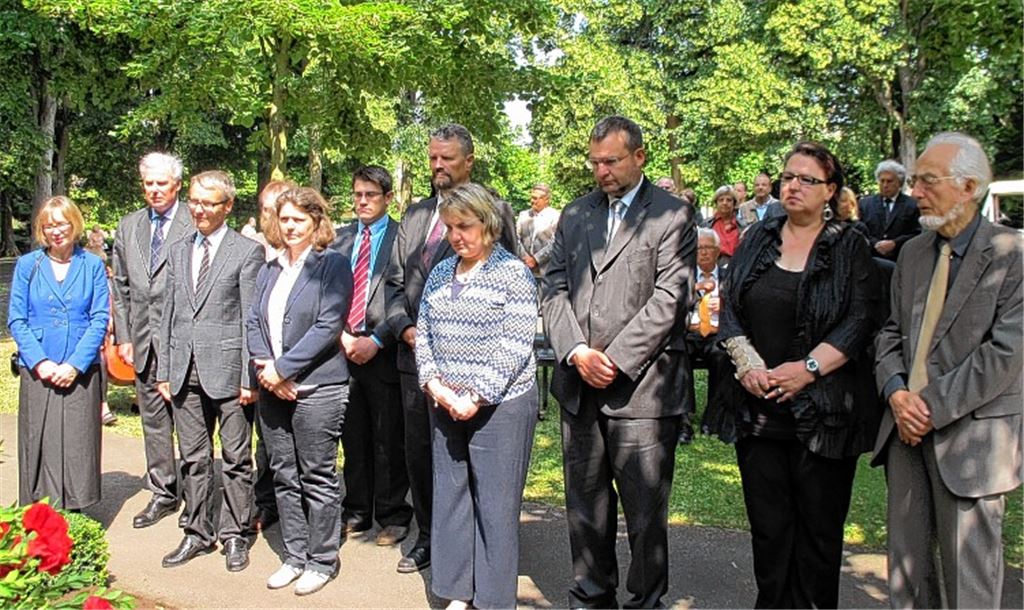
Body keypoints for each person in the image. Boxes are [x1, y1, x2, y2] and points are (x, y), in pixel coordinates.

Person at [714, 141, 881, 608]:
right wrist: (745, 362)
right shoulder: (759, 238)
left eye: (807, 179)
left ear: (830, 190)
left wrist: (807, 370)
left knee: (818, 538)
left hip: (824, 418)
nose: (793, 185)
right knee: (769, 535)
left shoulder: (849, 246)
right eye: (788, 176)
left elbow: (860, 319)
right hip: (759, 415)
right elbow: (730, 305)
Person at [541, 115, 695, 608]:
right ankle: (591, 597)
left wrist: (614, 359)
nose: (601, 171)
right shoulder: (575, 213)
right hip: (579, 386)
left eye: (611, 161)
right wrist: (577, 351)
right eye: (595, 162)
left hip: (643, 389)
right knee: (585, 507)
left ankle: (646, 601)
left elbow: (671, 298)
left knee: (645, 513)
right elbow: (554, 286)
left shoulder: (671, 215)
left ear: (639, 157)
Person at [872, 132, 1022, 609]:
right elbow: (890, 333)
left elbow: (1005, 353)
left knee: (969, 587)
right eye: (915, 181)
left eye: (927, 181)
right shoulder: (914, 253)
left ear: (969, 187)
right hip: (904, 435)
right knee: (906, 578)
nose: (915, 191)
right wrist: (897, 393)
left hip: (972, 443)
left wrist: (927, 408)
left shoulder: (1012, 255)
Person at [384, 123, 516, 574]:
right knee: (421, 452)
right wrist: (407, 331)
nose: (438, 166)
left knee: (472, 461)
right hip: (415, 361)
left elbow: (509, 277)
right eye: (433, 158)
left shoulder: (496, 210)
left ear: (469, 161)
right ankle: (430, 538)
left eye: (448, 159)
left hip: (474, 369)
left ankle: (481, 548)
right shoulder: (417, 215)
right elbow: (393, 283)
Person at [416, 182, 538, 610]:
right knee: (450, 498)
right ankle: (456, 592)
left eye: (464, 226)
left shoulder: (513, 272)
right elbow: (424, 334)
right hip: (445, 401)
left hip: (501, 407)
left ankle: (492, 599)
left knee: (495, 505)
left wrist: (477, 395)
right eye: (450, 227)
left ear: (487, 224)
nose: (455, 236)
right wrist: (434, 384)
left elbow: (516, 343)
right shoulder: (441, 270)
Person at [156, 170, 264, 572]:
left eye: (209, 203)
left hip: (229, 372)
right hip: (185, 371)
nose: (199, 210)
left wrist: (247, 379)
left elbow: (249, 319)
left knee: (236, 459)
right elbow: (167, 313)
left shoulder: (245, 252)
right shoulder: (179, 248)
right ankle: (197, 532)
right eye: (195, 201)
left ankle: (235, 533)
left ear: (228, 206)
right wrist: (165, 369)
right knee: (194, 459)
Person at [247, 187, 352, 595]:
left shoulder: (333, 266)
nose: (290, 226)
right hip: (272, 387)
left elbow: (328, 326)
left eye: (298, 219)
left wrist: (284, 370)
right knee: (283, 474)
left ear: (315, 222)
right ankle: (294, 555)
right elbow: (254, 322)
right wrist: (268, 371)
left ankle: (322, 559)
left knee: (317, 475)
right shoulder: (270, 269)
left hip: (318, 388)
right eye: (284, 219)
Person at [8, 196, 110, 510]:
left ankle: (75, 509)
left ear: (74, 224)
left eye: (62, 223)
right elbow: (16, 318)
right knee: (39, 438)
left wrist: (75, 364)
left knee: (78, 441)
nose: (56, 231)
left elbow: (99, 318)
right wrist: (40, 362)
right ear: (41, 229)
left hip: (80, 368)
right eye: (49, 225)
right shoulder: (28, 265)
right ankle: (39, 511)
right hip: (39, 367)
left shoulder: (92, 265)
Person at [111, 152, 193, 529]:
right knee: (154, 424)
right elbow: (122, 287)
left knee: (192, 424)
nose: (155, 190)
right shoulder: (128, 227)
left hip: (184, 344)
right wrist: (125, 337)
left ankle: (196, 497)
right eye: (149, 183)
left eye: (162, 183)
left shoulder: (196, 222)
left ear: (177, 184)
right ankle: (163, 491)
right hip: (142, 344)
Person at [331, 166, 412, 546]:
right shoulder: (340, 239)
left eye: (371, 195)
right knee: (353, 435)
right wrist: (343, 337)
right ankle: (357, 510)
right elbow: (327, 293)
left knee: (388, 437)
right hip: (344, 350)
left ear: (387, 198)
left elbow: (405, 293)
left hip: (384, 350)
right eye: (358, 194)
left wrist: (377, 339)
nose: (362, 201)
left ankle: (393, 514)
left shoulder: (402, 237)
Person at [249, 179, 298, 532]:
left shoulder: (313, 257)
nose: (273, 218)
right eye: (267, 209)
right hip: (261, 366)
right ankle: (268, 503)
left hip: (301, 368)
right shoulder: (251, 252)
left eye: (279, 209)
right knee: (267, 444)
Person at [681, 228, 731, 443]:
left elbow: (741, 306)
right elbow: (672, 303)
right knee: (676, 355)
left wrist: (724, 305)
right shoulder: (684, 276)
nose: (703, 252)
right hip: (689, 332)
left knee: (721, 356)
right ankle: (683, 420)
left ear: (718, 251)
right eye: (699, 248)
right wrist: (693, 291)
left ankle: (713, 418)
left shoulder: (729, 275)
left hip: (717, 334)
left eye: (708, 248)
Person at [857, 159, 920, 261]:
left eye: (889, 181)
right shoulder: (865, 204)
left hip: (901, 260)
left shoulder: (912, 205)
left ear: (899, 183)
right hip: (871, 261)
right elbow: (860, 230)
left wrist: (895, 243)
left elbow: (917, 233)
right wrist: (875, 244)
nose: (885, 185)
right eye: (882, 181)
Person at [516, 183, 560, 278]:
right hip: (523, 269)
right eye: (532, 198)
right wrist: (525, 257)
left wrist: (536, 259)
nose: (533, 201)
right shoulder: (524, 215)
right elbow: (516, 238)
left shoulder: (555, 216)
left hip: (545, 271)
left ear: (546, 200)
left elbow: (556, 242)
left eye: (536, 198)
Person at [706, 185, 740, 262]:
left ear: (734, 204)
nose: (725, 203)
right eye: (721, 200)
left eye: (729, 200)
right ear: (716, 203)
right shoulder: (707, 225)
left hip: (736, 268)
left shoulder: (743, 226)